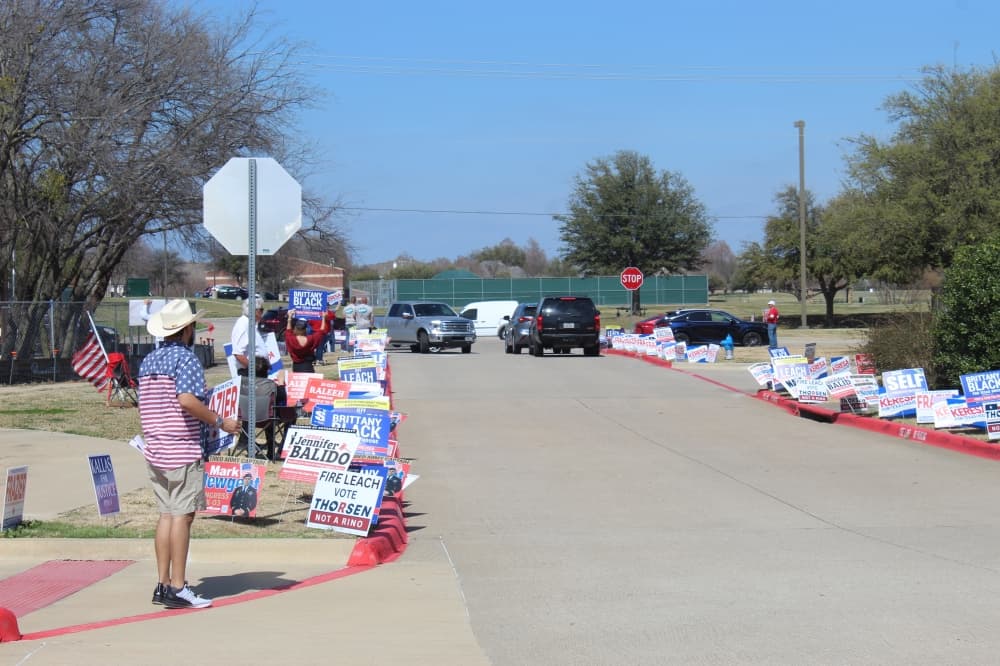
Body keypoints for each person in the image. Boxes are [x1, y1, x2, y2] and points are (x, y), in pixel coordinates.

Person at [138, 299, 240, 610]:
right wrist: (220, 421)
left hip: (155, 446)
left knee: (167, 514)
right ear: (187, 329)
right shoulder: (186, 360)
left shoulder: (149, 360)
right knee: (183, 515)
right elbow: (186, 400)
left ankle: (163, 582)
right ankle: (179, 587)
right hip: (181, 446)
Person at [235, 356, 284, 460]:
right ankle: (275, 451)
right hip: (266, 420)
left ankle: (248, 448)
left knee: (268, 411)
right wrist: (281, 383)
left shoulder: (239, 383)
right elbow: (282, 399)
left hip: (245, 418)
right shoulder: (271, 385)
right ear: (266, 371)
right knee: (275, 413)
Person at [230, 294, 266, 375]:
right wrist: (254, 370)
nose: (262, 313)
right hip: (250, 373)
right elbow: (238, 354)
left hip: (258, 371)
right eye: (261, 310)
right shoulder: (243, 324)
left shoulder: (251, 323)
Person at [285, 309, 327, 373]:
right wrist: (323, 318)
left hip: (296, 367)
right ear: (305, 329)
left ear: (295, 328)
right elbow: (321, 331)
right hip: (308, 367)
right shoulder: (311, 339)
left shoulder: (291, 339)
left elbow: (288, 331)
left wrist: (290, 317)